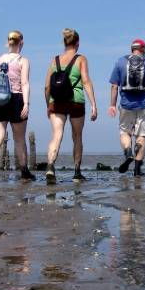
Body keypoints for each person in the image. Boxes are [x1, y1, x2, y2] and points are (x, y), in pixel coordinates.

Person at [43, 28, 98, 184]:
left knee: (56, 135)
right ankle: (76, 173)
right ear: (77, 43)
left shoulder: (55, 60)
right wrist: (94, 104)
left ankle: (50, 167)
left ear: (65, 42)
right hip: (76, 101)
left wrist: (49, 105)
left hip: (56, 102)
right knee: (77, 137)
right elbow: (86, 81)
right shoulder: (81, 59)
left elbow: (47, 86)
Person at [0, 30, 35, 184]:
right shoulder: (22, 60)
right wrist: (26, 103)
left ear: (8, 42)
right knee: (19, 139)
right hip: (16, 99)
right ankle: (24, 171)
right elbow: (24, 83)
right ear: (22, 43)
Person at [108, 38, 145, 176]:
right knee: (141, 135)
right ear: (143, 49)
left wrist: (112, 105)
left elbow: (114, 85)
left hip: (126, 104)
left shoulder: (120, 62)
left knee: (125, 132)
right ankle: (137, 171)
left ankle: (128, 151)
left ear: (132, 49)